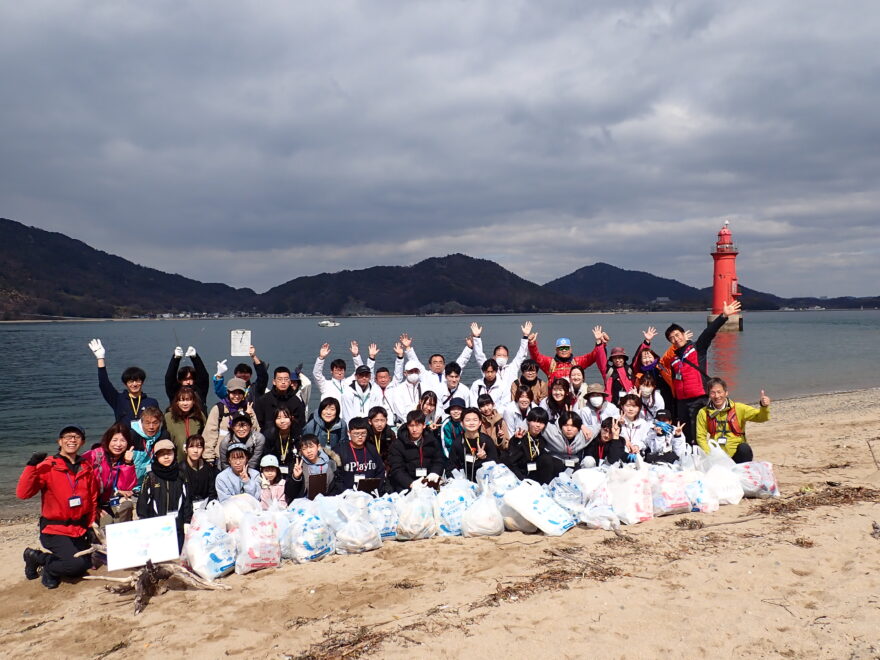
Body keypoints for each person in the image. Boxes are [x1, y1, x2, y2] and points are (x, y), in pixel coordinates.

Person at [19, 425, 100, 589]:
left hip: (78, 528)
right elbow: (23, 493)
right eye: (68, 436)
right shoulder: (48, 466)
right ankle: (41, 561)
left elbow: (92, 499)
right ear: (60, 441)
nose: (72, 439)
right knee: (74, 566)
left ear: (82, 442)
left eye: (76, 437)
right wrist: (31, 466)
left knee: (85, 565)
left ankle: (45, 560)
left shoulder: (86, 467)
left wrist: (90, 524)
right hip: (54, 529)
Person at [660, 300, 742, 443]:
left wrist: (723, 316)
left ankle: (704, 456)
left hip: (698, 398)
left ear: (685, 335)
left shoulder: (697, 349)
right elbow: (672, 380)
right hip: (681, 402)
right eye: (672, 338)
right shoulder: (673, 360)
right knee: (685, 433)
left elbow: (708, 333)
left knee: (699, 431)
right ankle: (689, 457)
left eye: (677, 335)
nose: (676, 339)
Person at [695, 378, 771, 462]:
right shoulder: (703, 412)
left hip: (736, 455)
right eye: (713, 393)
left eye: (719, 392)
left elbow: (762, 417)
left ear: (726, 393)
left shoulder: (739, 408)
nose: (717, 396)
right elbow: (700, 437)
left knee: (744, 448)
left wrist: (764, 407)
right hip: (716, 456)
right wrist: (710, 454)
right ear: (709, 394)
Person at [136, 439, 192, 550]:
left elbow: (187, 500)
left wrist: (187, 521)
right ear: (156, 456)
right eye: (162, 454)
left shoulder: (180, 474)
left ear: (174, 454)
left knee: (178, 555)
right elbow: (143, 501)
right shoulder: (150, 477)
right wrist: (143, 521)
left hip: (178, 525)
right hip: (157, 527)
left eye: (169, 453)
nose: (166, 457)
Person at [88, 338, 159, 425]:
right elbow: (104, 384)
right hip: (124, 438)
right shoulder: (118, 399)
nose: (134, 384)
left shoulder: (151, 402)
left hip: (145, 438)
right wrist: (100, 358)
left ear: (142, 382)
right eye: (130, 382)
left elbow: (158, 422)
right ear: (125, 384)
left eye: (137, 381)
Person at [82, 423, 137, 523]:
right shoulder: (94, 456)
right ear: (107, 440)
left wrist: (128, 464)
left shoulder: (124, 459)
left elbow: (126, 489)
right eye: (114, 440)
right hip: (93, 502)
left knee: (127, 505)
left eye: (123, 440)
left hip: (111, 500)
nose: (118, 445)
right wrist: (94, 507)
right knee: (106, 521)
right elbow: (81, 486)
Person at [203, 378, 258, 467]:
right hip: (221, 458)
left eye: (240, 393)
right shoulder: (219, 408)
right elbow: (210, 434)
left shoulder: (247, 408)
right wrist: (209, 457)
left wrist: (250, 416)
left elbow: (256, 432)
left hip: (243, 458)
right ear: (228, 392)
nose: (236, 396)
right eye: (233, 393)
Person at [527, 325, 608, 385]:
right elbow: (536, 357)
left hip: (574, 400)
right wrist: (532, 344)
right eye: (561, 348)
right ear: (556, 350)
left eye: (566, 348)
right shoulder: (549, 363)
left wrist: (600, 343)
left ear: (570, 349)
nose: (564, 350)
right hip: (555, 398)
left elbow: (594, 356)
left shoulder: (578, 362)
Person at [399, 331, 474, 394]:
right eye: (435, 362)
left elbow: (461, 362)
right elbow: (415, 361)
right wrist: (408, 348)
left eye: (440, 362)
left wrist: (469, 348)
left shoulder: (450, 374)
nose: (438, 364)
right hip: (432, 406)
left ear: (444, 364)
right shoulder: (425, 375)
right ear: (430, 366)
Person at [387, 411, 445, 492]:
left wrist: (435, 473)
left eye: (418, 425)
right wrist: (410, 483)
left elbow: (439, 460)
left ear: (424, 425)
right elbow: (397, 469)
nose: (414, 429)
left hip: (428, 482)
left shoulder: (432, 441)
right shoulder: (398, 444)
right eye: (411, 426)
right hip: (407, 485)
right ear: (407, 426)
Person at [471, 321, 533, 393]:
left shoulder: (512, 368)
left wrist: (525, 336)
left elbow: (521, 355)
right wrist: (477, 337)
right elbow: (479, 356)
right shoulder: (488, 368)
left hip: (509, 401)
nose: (501, 357)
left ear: (507, 357)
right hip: (492, 401)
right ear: (494, 357)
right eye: (499, 355)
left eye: (504, 355)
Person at [335, 417, 386, 493]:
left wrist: (376, 489)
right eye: (356, 434)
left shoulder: (371, 449)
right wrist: (346, 493)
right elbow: (336, 477)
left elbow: (380, 471)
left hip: (371, 493)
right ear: (349, 433)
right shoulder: (339, 451)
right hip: (347, 495)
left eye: (363, 433)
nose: (360, 437)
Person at [254, 366, 306, 440]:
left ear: (290, 382)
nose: (283, 382)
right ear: (274, 382)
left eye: (286, 379)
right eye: (280, 379)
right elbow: (259, 423)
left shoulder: (296, 401)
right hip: (268, 440)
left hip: (291, 438)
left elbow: (301, 423)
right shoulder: (264, 400)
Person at [448, 408, 498, 481]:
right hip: (464, 482)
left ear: (480, 422)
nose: (471, 423)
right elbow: (451, 466)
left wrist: (485, 458)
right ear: (462, 423)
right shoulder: (458, 442)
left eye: (475, 420)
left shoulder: (486, 440)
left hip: (485, 480)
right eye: (467, 420)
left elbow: (495, 464)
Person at [284, 435, 337, 500]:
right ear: (301, 451)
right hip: (303, 505)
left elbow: (334, 490)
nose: (308, 451)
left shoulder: (329, 464)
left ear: (318, 447)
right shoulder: (298, 466)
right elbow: (289, 493)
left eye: (311, 447)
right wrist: (296, 478)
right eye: (304, 449)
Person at [502, 407, 550, 481]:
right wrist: (523, 480)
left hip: (534, 474)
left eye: (541, 423)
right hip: (519, 476)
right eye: (534, 421)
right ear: (528, 422)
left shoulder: (542, 440)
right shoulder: (519, 438)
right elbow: (512, 463)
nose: (538, 425)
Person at [542, 411, 592, 478]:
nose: (569, 429)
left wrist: (583, 426)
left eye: (573, 426)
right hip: (555, 464)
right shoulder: (551, 430)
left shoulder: (585, 434)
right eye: (566, 425)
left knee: (589, 461)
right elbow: (533, 420)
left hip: (574, 463)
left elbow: (599, 427)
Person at [164, 386, 206, 461]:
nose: (185, 403)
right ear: (177, 402)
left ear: (193, 401)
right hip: (175, 460)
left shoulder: (200, 415)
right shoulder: (168, 417)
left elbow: (206, 435)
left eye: (188, 400)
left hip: (196, 459)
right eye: (182, 400)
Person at [130, 406, 171, 484]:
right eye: (147, 423)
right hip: (132, 483)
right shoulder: (132, 436)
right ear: (141, 423)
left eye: (155, 423)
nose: (151, 427)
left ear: (160, 423)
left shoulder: (163, 436)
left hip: (153, 482)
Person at [179, 434, 218, 504]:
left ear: (203, 449)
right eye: (191, 447)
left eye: (199, 447)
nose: (195, 451)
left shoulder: (208, 468)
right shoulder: (180, 470)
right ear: (186, 449)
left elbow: (212, 493)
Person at [263, 406, 299, 475]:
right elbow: (267, 455)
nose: (282, 421)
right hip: (273, 470)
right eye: (278, 418)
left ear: (291, 418)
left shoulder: (297, 434)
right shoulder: (269, 435)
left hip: (293, 470)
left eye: (285, 417)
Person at [618, 394, 651, 459]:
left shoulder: (643, 423)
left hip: (638, 456)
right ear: (622, 407)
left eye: (634, 406)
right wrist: (618, 425)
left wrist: (637, 446)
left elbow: (645, 441)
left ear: (639, 408)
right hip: (620, 456)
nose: (631, 409)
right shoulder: (616, 421)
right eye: (628, 406)